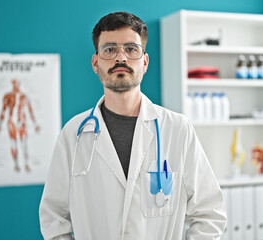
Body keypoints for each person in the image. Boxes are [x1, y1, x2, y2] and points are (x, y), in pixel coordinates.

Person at [39, 12, 227, 239]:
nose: (121, 58)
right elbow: (53, 217)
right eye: (109, 49)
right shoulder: (73, 134)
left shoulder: (177, 129)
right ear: (95, 62)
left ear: (145, 61)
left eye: (131, 49)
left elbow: (210, 213)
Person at [0, 78, 40, 172]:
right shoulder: (8, 96)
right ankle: (16, 164)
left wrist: (35, 123)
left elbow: (30, 110)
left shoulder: (24, 96)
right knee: (13, 143)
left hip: (21, 122)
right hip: (12, 122)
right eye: (15, 84)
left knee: (24, 143)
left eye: (18, 84)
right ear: (13, 84)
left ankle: (26, 163)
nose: (16, 86)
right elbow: (3, 110)